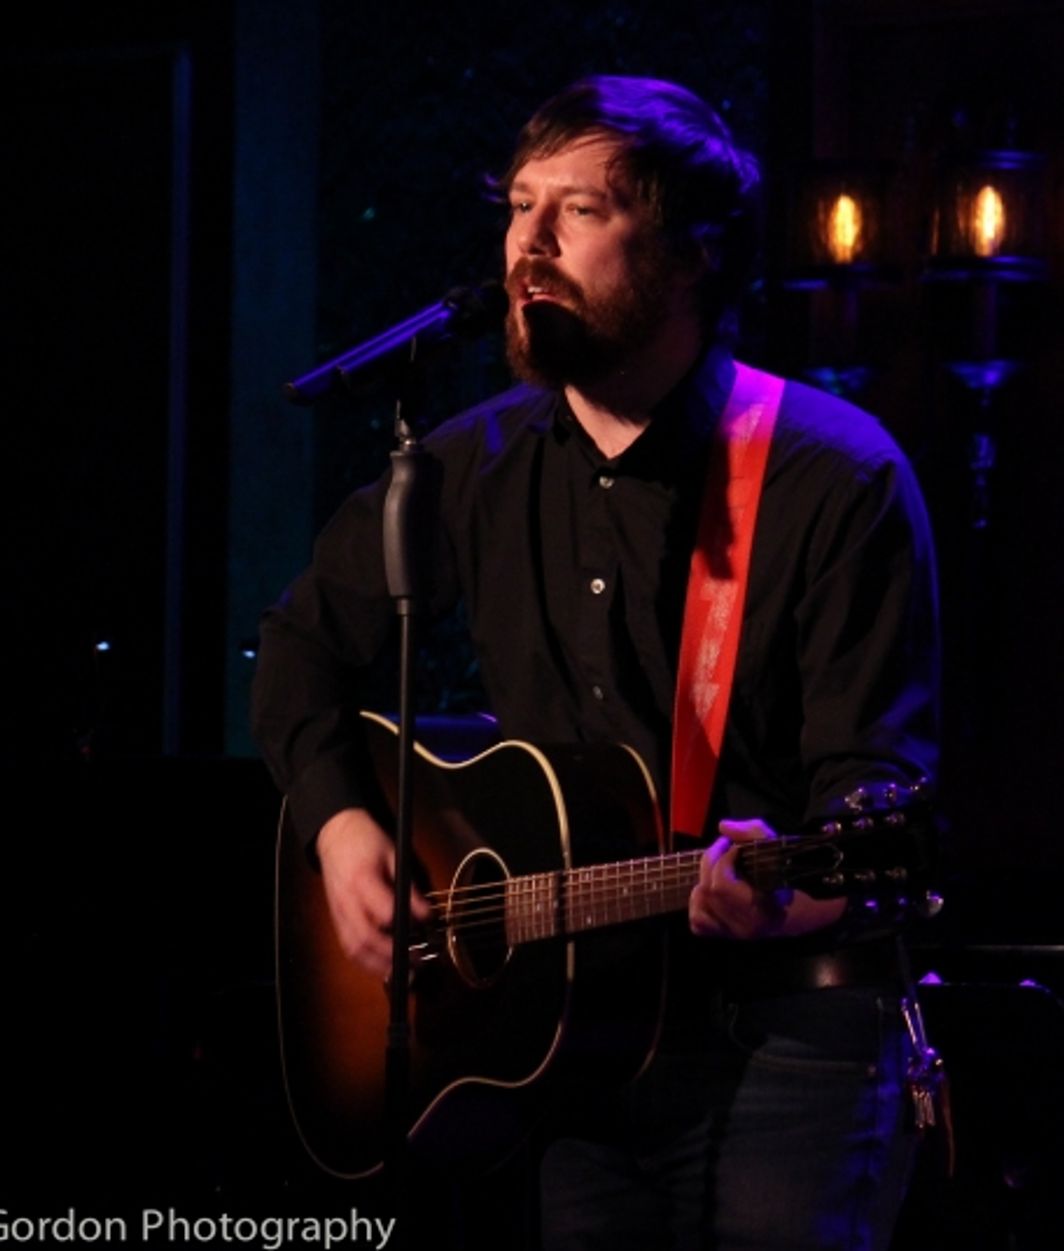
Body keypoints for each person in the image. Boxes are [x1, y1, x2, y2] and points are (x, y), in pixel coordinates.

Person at [251, 74, 941, 1250]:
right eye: (518, 207)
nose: (527, 244)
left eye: (578, 210)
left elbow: (872, 795)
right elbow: (299, 651)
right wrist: (341, 831)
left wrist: (786, 885)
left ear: (686, 254)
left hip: (786, 1040)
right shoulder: (467, 467)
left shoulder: (831, 475)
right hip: (568, 1048)